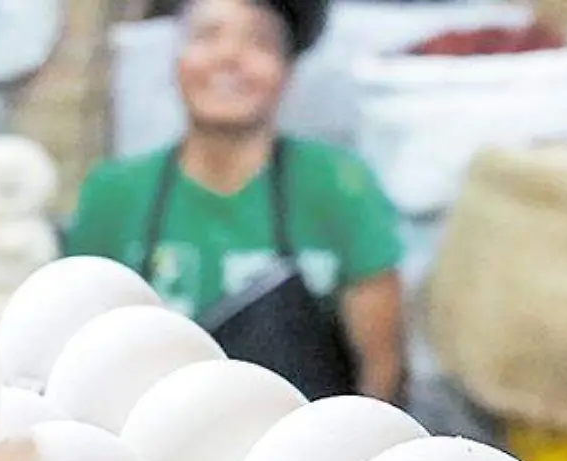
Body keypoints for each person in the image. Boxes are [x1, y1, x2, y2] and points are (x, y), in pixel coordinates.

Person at [65, 0, 405, 402]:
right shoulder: (113, 194)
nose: (229, 57)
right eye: (207, 35)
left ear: (288, 71)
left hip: (306, 453)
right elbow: (77, 353)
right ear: (176, 59)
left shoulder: (341, 186)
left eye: (258, 42)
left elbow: (382, 370)